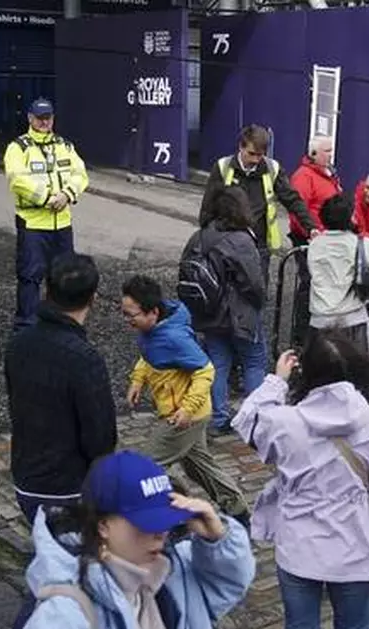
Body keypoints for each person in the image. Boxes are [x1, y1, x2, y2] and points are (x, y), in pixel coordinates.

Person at [231, 331, 369, 629]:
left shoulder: (284, 423)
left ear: (308, 374)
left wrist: (277, 380)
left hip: (299, 545)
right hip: (357, 545)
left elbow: (247, 419)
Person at [19, 450, 256, 629]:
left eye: (164, 521)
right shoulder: (65, 614)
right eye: (146, 523)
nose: (159, 534)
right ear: (103, 526)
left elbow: (225, 586)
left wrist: (218, 539)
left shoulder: (169, 569)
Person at [120, 275, 251, 527]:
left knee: (148, 467)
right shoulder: (152, 331)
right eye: (124, 313)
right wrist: (138, 380)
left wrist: (187, 409)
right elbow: (149, 356)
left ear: (153, 312)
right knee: (198, 467)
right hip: (185, 414)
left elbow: (205, 371)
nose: (127, 320)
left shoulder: (173, 338)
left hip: (184, 418)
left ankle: (175, 510)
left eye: (131, 315)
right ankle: (237, 511)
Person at [6, 253, 117, 523]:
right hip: (69, 487)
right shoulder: (84, 359)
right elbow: (100, 435)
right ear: (92, 299)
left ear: (47, 290)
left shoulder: (19, 343)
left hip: (26, 475)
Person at [183, 186, 268, 436]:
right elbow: (254, 283)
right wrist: (259, 302)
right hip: (240, 314)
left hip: (209, 313)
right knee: (254, 362)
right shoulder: (241, 240)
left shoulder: (199, 237)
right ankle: (254, 420)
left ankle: (218, 418)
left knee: (218, 364)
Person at [4, 97, 89, 330]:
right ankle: (26, 328)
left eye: (48, 117)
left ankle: (60, 323)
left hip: (62, 223)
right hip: (32, 223)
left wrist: (67, 194)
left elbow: (80, 174)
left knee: (63, 277)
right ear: (30, 118)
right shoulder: (18, 147)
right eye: (39, 118)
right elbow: (17, 179)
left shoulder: (64, 145)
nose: (44, 122)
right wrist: (47, 197)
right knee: (30, 278)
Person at [200, 124, 319, 281]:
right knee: (224, 285)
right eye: (252, 154)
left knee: (256, 287)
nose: (256, 159)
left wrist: (310, 227)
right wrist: (204, 236)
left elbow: (293, 200)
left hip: (259, 244)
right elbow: (209, 204)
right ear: (240, 147)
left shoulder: (272, 169)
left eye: (260, 155)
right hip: (226, 240)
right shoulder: (223, 167)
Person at [306, 193, 369, 352]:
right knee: (354, 372)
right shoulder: (363, 244)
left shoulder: (315, 245)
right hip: (353, 318)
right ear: (350, 218)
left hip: (319, 318)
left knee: (320, 373)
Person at [286, 134, 342, 344]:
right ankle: (301, 337)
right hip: (308, 239)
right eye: (327, 151)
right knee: (310, 284)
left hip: (327, 239)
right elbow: (297, 211)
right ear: (314, 153)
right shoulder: (303, 177)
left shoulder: (329, 175)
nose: (330, 155)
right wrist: (313, 232)